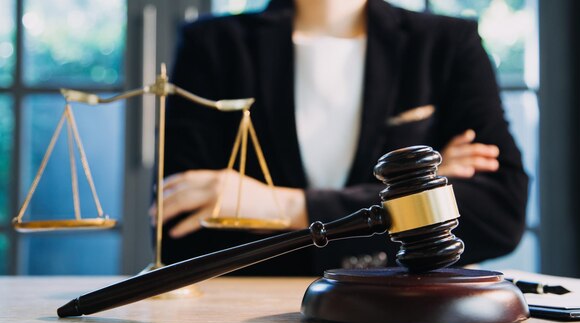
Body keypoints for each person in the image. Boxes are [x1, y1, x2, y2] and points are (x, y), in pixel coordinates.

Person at [157, 0, 528, 275]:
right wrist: (418, 195)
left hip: (407, 308)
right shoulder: (213, 45)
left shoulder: (446, 44)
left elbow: (499, 212)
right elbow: (181, 228)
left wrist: (279, 205)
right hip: (250, 319)